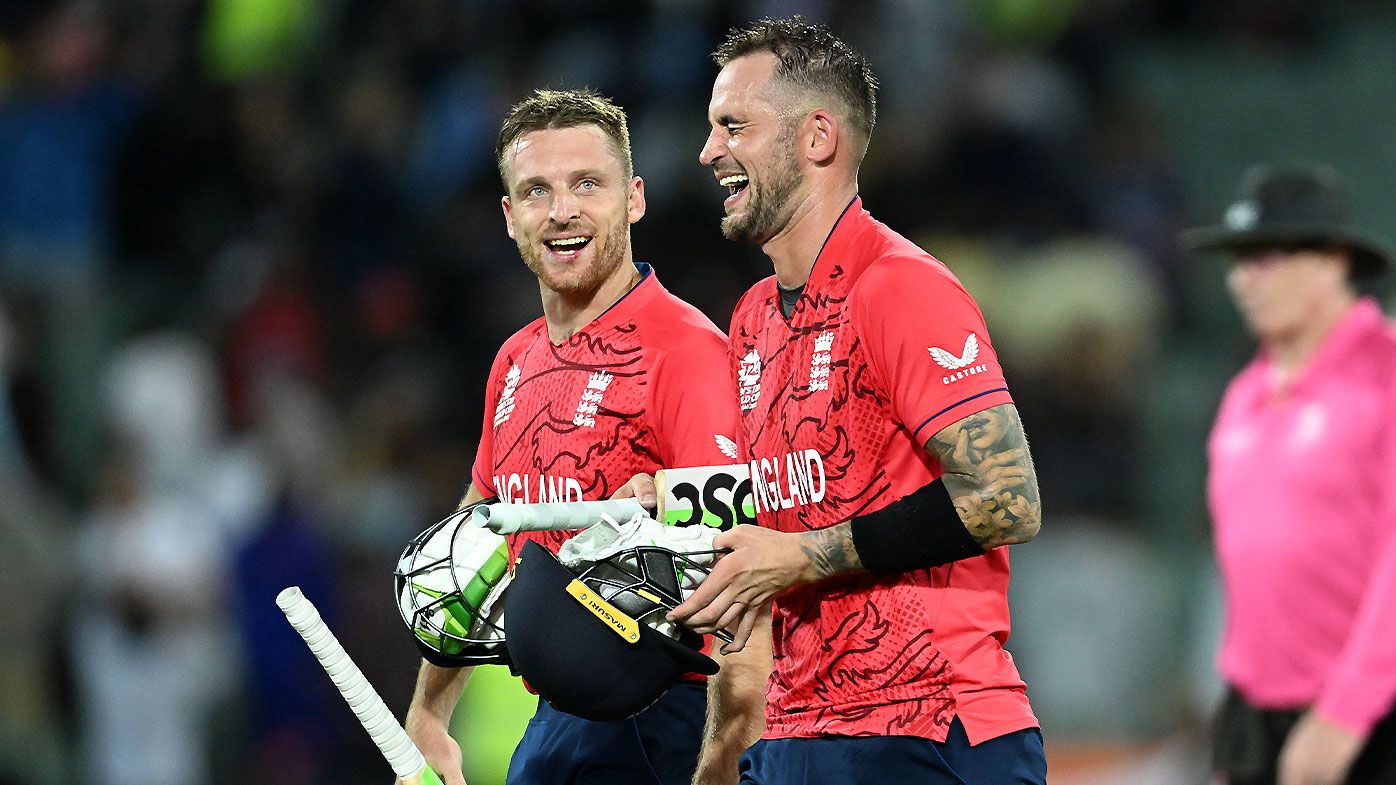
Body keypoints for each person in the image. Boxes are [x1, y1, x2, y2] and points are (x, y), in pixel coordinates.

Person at [617, 17, 1046, 785]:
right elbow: (798, 494)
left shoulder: (900, 288)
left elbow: (1008, 496)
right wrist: (676, 501)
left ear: (817, 138)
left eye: (733, 126)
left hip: (926, 728)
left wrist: (806, 555)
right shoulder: (750, 319)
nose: (708, 151)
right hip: (796, 731)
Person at [401, 89, 740, 785]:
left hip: (663, 721)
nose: (562, 211)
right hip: (558, 727)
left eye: (588, 183)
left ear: (634, 198)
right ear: (509, 216)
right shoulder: (515, 360)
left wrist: (723, 758)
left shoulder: (685, 349)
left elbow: (738, 567)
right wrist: (430, 712)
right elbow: (480, 537)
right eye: (536, 190)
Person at [1182, 164, 1396, 785]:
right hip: (1256, 714)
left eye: (1264, 256)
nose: (1244, 279)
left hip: (1369, 716)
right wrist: (1237, 723)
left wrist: (1347, 712)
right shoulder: (1244, 395)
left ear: (1333, 261)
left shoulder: (1384, 379)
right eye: (1237, 260)